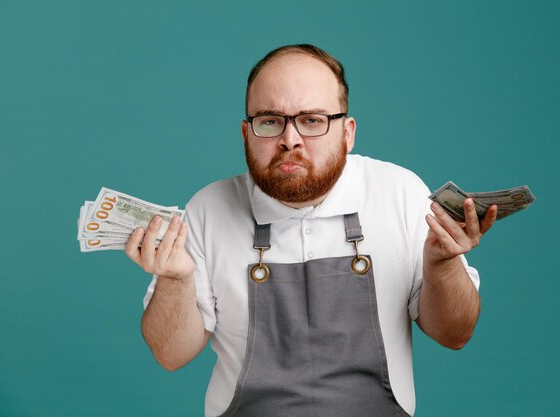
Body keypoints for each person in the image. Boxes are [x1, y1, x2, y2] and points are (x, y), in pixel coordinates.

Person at [125, 44, 498, 417]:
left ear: (347, 133)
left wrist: (444, 263)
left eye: (313, 120)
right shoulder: (208, 209)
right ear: (246, 133)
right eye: (270, 120)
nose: (291, 139)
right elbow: (171, 355)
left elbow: (455, 334)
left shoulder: (400, 193)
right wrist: (174, 280)